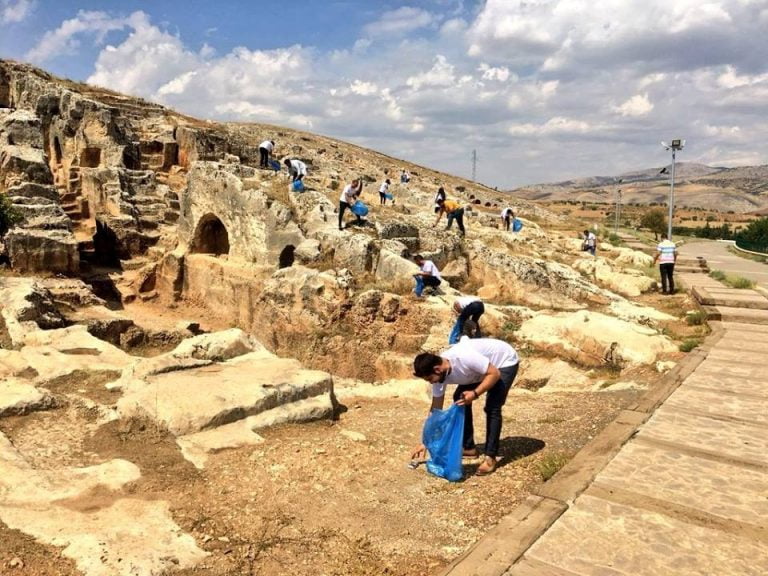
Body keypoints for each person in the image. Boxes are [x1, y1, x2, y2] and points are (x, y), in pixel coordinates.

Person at [411, 338, 520, 476]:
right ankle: (469, 448)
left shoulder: (464, 357)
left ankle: (490, 458)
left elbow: (494, 373)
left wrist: (475, 393)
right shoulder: (439, 376)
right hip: (480, 370)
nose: (432, 383)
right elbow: (435, 410)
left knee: (492, 407)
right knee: (460, 398)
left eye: (430, 379)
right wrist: (426, 441)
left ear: (437, 369)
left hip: (504, 362)